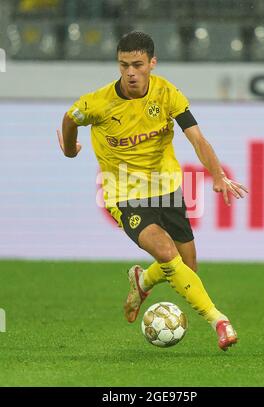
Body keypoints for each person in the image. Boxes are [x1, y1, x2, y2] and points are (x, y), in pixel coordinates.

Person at [57, 31, 248, 351]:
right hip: (125, 195)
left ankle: (142, 281)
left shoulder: (166, 93)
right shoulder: (97, 103)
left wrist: (217, 174)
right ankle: (219, 320)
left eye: (137, 64)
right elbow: (70, 117)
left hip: (168, 188)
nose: (130, 72)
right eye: (123, 65)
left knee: (187, 267)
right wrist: (69, 150)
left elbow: (197, 139)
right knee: (165, 252)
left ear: (151, 64)